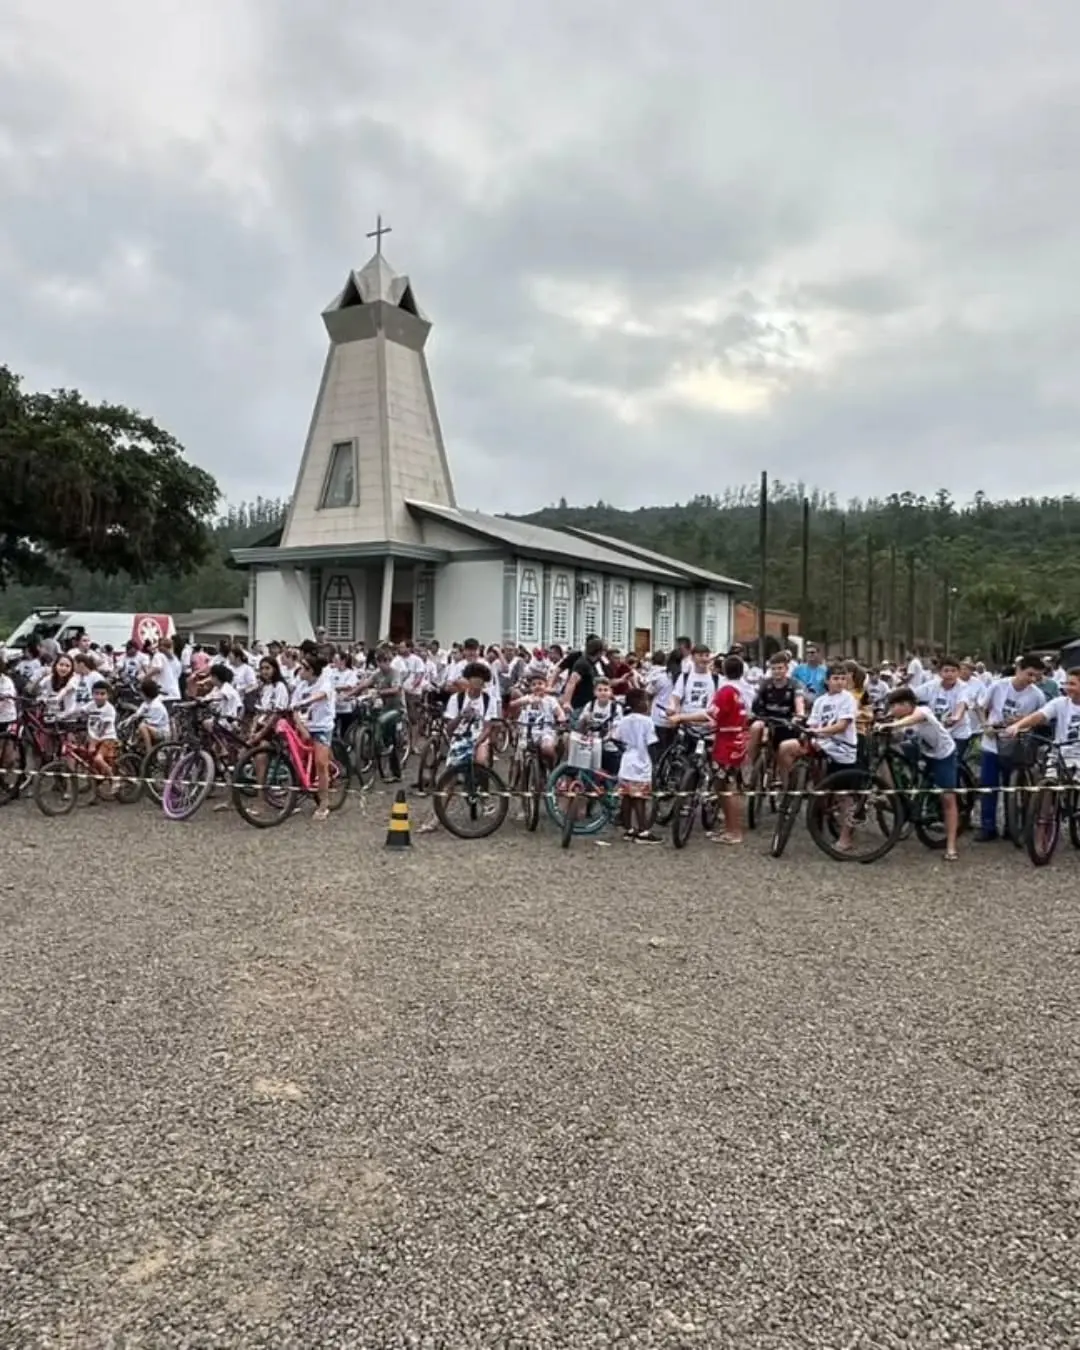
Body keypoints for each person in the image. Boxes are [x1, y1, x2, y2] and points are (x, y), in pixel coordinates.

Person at [881, 686, 960, 860]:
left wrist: (891, 724)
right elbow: (898, 734)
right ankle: (908, 793)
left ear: (906, 704)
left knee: (948, 798)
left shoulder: (922, 711)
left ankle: (951, 846)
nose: (892, 710)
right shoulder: (899, 718)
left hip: (943, 755)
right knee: (897, 753)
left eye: (894, 706)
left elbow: (913, 719)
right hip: (923, 751)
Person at [975, 654, 1046, 841]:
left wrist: (1024, 721)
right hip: (992, 742)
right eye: (1029, 674)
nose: (1032, 679)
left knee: (1012, 788)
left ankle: (1011, 827)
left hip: (1017, 745)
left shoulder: (1037, 695)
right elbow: (980, 706)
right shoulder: (998, 686)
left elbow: (1042, 719)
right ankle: (987, 827)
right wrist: (985, 725)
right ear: (1018, 669)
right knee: (989, 786)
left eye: (1036, 676)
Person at [708, 654, 750, 845]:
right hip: (736, 740)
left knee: (727, 787)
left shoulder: (725, 691)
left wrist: (681, 718)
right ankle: (728, 828)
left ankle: (734, 831)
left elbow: (711, 714)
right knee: (724, 785)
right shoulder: (740, 690)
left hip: (726, 743)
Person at [613, 687, 659, 843]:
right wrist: (655, 763)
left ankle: (629, 829)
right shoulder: (647, 722)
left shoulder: (624, 720)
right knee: (640, 798)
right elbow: (651, 744)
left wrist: (626, 749)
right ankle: (643, 830)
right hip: (641, 763)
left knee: (627, 797)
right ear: (639, 703)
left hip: (626, 762)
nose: (648, 703)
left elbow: (616, 738)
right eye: (646, 700)